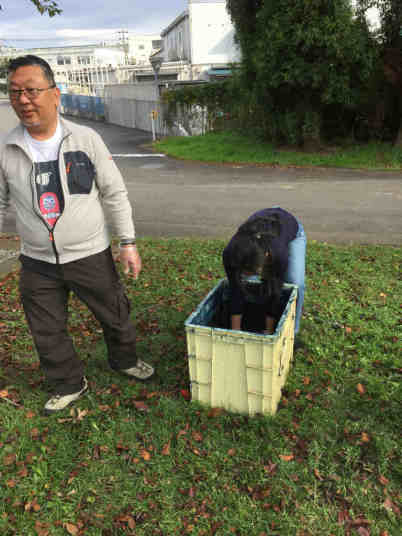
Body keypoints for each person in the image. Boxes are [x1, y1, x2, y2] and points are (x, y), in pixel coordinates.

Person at [0, 55, 154, 414]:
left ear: (55, 94)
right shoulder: (6, 149)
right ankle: (68, 382)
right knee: (46, 328)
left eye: (32, 90)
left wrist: (127, 243)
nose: (23, 100)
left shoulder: (86, 139)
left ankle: (124, 359)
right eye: (15, 92)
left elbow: (114, 192)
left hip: (90, 254)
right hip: (37, 260)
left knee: (115, 313)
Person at [222, 207, 306, 336]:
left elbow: (275, 292)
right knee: (249, 285)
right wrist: (235, 332)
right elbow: (235, 289)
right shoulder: (230, 253)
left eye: (253, 271)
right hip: (264, 225)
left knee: (296, 283)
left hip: (291, 228)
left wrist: (269, 331)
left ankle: (292, 333)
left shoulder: (278, 254)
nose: (246, 275)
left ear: (266, 257)